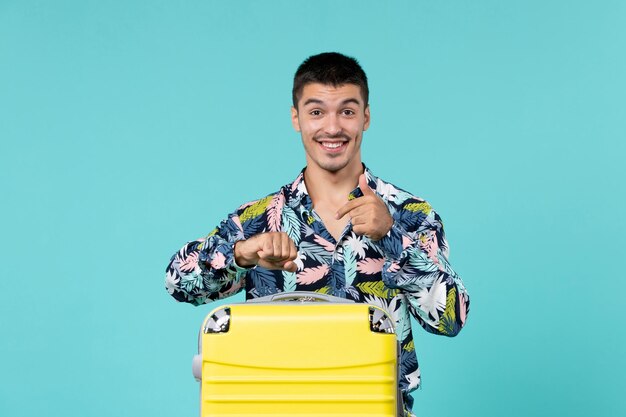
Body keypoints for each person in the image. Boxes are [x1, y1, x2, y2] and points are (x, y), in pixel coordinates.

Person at [165, 52, 470, 416]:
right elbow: (177, 282)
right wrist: (241, 254)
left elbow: (451, 317)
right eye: (315, 112)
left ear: (366, 117)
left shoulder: (410, 215)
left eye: (347, 111)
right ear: (296, 118)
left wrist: (391, 235)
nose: (332, 128)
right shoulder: (259, 219)